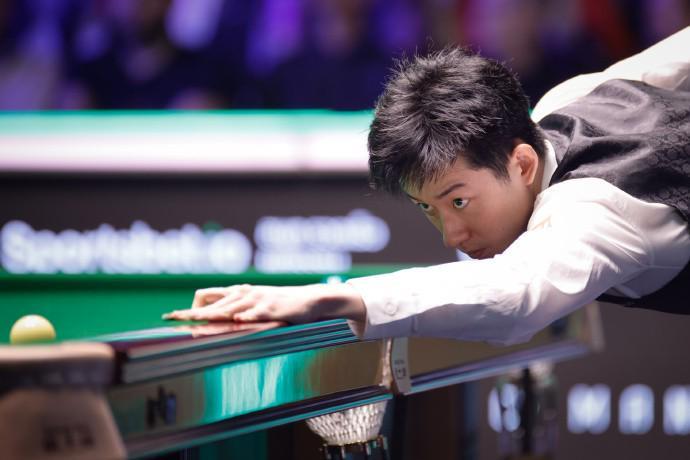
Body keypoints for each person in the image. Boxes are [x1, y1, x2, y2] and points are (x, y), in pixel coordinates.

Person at [164, 26, 690, 345]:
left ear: (523, 164)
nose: (451, 235)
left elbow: (516, 297)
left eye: (458, 200)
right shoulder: (568, 100)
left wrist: (332, 298)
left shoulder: (599, 207)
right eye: (429, 208)